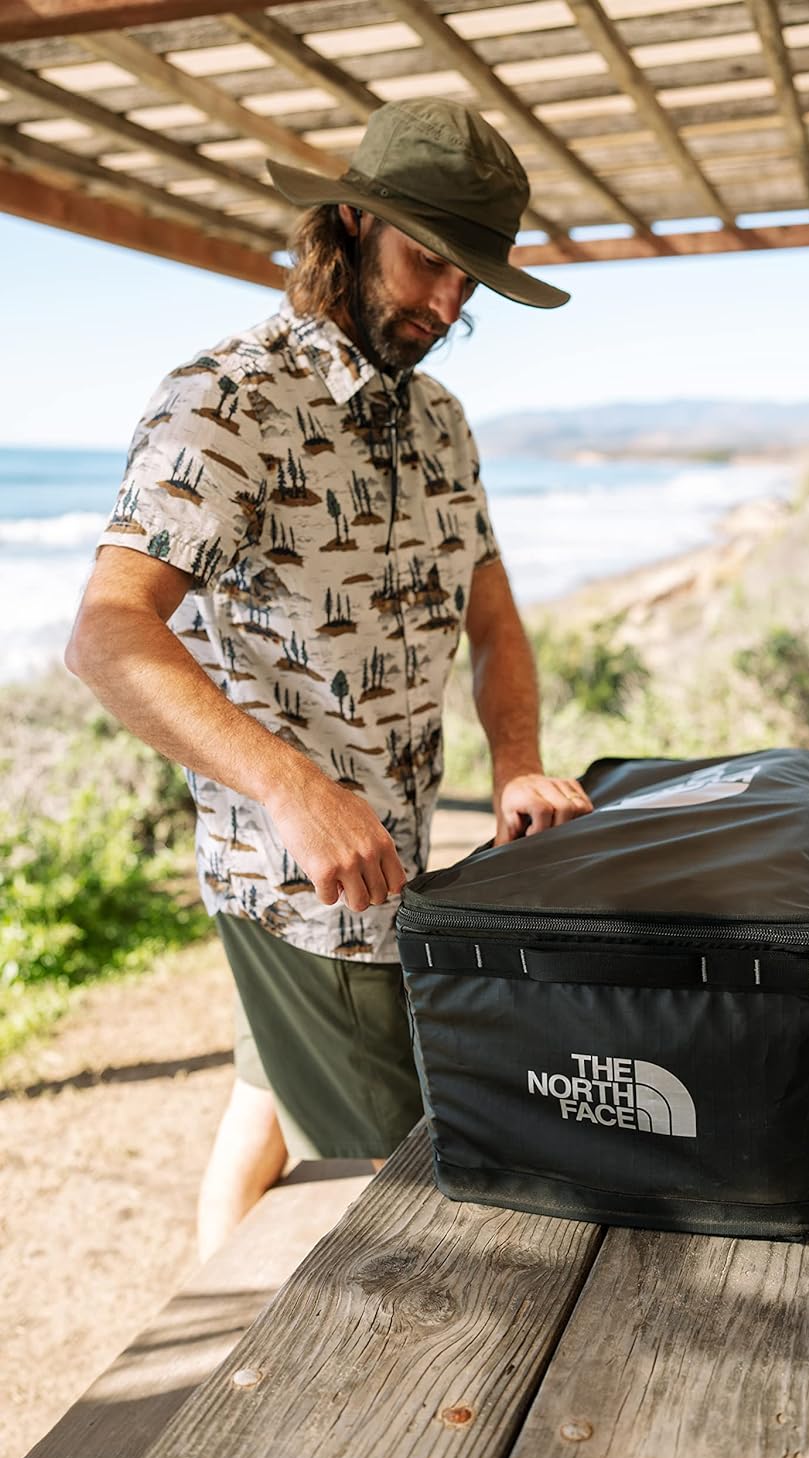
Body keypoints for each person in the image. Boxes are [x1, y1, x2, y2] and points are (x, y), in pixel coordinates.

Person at [65, 98, 593, 1260]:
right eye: (428, 262)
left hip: (409, 866)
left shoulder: (442, 419)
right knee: (405, 1196)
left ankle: (212, 1331)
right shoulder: (226, 398)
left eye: (470, 280)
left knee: (259, 1105)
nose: (447, 305)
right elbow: (107, 634)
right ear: (351, 222)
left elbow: (494, 621)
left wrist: (516, 764)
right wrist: (293, 789)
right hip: (303, 895)